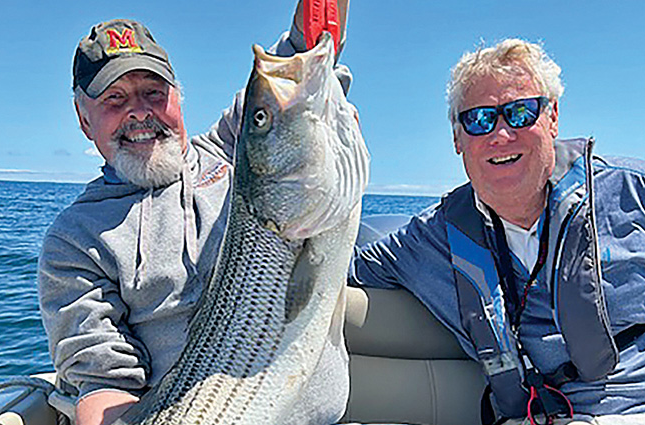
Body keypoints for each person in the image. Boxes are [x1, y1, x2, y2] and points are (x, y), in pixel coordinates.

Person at [37, 4, 351, 425]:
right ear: (83, 118)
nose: (140, 112)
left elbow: (299, 61)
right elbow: (104, 383)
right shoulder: (73, 240)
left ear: (178, 97)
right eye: (115, 98)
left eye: (154, 92)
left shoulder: (235, 150)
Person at [349, 39, 645, 425]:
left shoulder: (632, 193)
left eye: (520, 112)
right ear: (458, 139)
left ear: (552, 117)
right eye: (478, 119)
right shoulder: (431, 238)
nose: (501, 134)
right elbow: (317, 269)